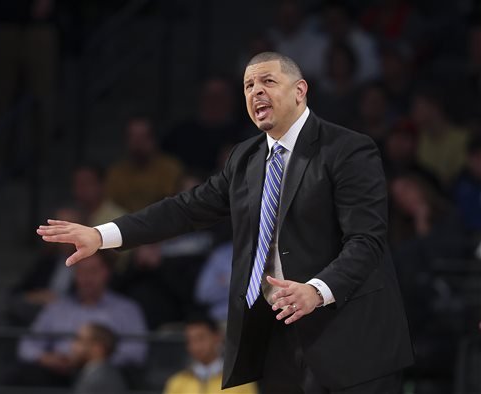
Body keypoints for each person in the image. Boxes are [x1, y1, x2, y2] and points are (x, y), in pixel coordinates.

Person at [37, 52, 414, 393]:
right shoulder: (244, 158)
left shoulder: (348, 149)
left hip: (350, 335)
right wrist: (101, 235)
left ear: (300, 90)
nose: (256, 92)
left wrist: (316, 290)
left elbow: (366, 240)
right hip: (277, 337)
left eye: (268, 81)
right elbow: (186, 209)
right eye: (249, 85)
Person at [17, 251, 147, 385]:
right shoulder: (57, 308)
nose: (87, 278)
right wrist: (48, 359)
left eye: (93, 271)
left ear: (107, 272)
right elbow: (27, 346)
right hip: (59, 375)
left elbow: (136, 352)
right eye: (81, 272)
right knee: (26, 373)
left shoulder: (126, 309)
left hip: (107, 375)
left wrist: (97, 359)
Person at [105, 116, 184, 212]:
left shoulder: (170, 168)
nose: (138, 142)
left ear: (154, 139)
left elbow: (171, 203)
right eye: (133, 137)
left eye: (143, 137)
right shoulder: (116, 171)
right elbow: (111, 206)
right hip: (125, 223)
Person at [163, 315, 257, 394]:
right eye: (190, 340)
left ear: (217, 337)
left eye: (201, 338)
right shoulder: (177, 382)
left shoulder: (239, 382)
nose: (196, 346)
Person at [71, 323, 128, 394]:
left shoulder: (99, 379)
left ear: (97, 348)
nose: (73, 346)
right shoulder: (95, 374)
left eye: (79, 340)